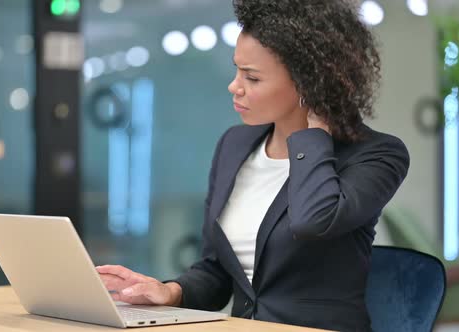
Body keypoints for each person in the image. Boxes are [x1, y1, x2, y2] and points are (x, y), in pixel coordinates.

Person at [96, 0, 410, 331]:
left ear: (308, 83)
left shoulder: (377, 155)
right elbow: (216, 271)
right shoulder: (235, 145)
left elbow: (313, 221)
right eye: (237, 70)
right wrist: (170, 292)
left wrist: (313, 134)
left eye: (252, 78)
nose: (235, 86)